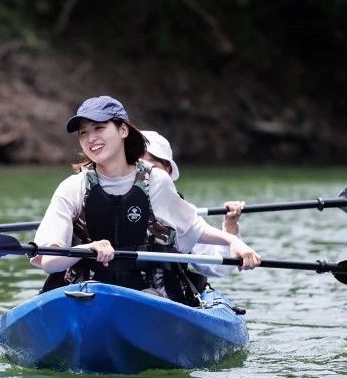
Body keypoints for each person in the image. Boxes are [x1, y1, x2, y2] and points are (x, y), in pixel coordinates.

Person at [32, 95, 261, 305]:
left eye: (99, 128)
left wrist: (233, 241)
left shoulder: (156, 181)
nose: (91, 138)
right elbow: (50, 262)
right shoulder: (73, 187)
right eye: (83, 132)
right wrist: (86, 248)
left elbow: (194, 228)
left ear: (123, 130)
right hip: (87, 298)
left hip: (151, 299)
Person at [141, 129, 243, 278]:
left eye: (151, 165)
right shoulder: (104, 197)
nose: (144, 171)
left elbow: (218, 268)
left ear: (167, 170)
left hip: (163, 292)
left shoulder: (182, 212)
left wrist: (230, 228)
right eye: (136, 164)